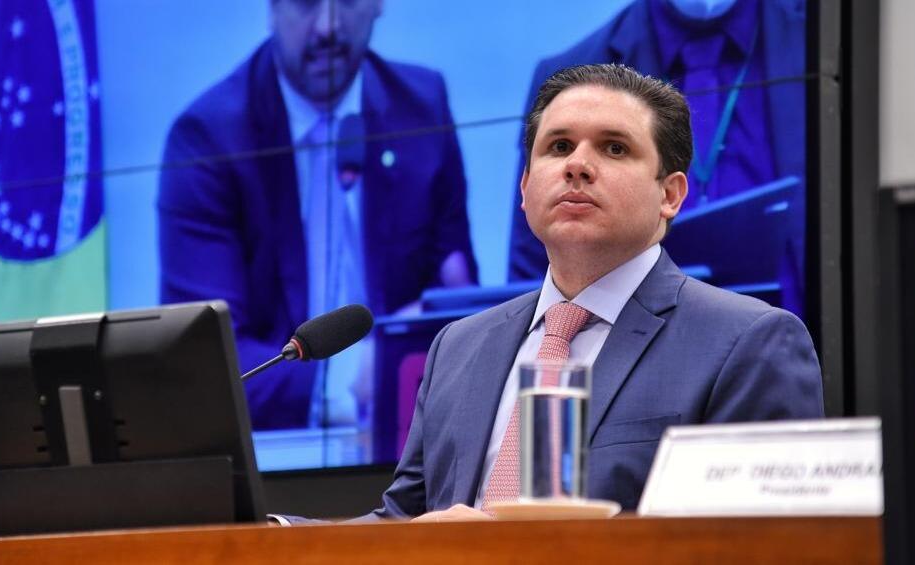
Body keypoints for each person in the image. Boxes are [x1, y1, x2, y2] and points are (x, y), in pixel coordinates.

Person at [352, 63, 823, 521]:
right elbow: (400, 521)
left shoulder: (749, 342)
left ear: (670, 195)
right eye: (559, 146)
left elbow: (759, 544)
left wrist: (508, 550)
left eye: (614, 148)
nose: (577, 165)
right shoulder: (458, 347)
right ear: (525, 187)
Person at [158, 0, 477, 431]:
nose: (328, 26)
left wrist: (434, 330)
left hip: (409, 434)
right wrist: (356, 379)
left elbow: (456, 300)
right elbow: (208, 360)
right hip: (278, 445)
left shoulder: (422, 108)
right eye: (306, 2)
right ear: (271, 8)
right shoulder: (208, 141)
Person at [507, 0, 807, 316]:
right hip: (617, 340)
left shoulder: (820, 46)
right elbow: (532, 271)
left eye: (615, 148)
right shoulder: (566, 79)